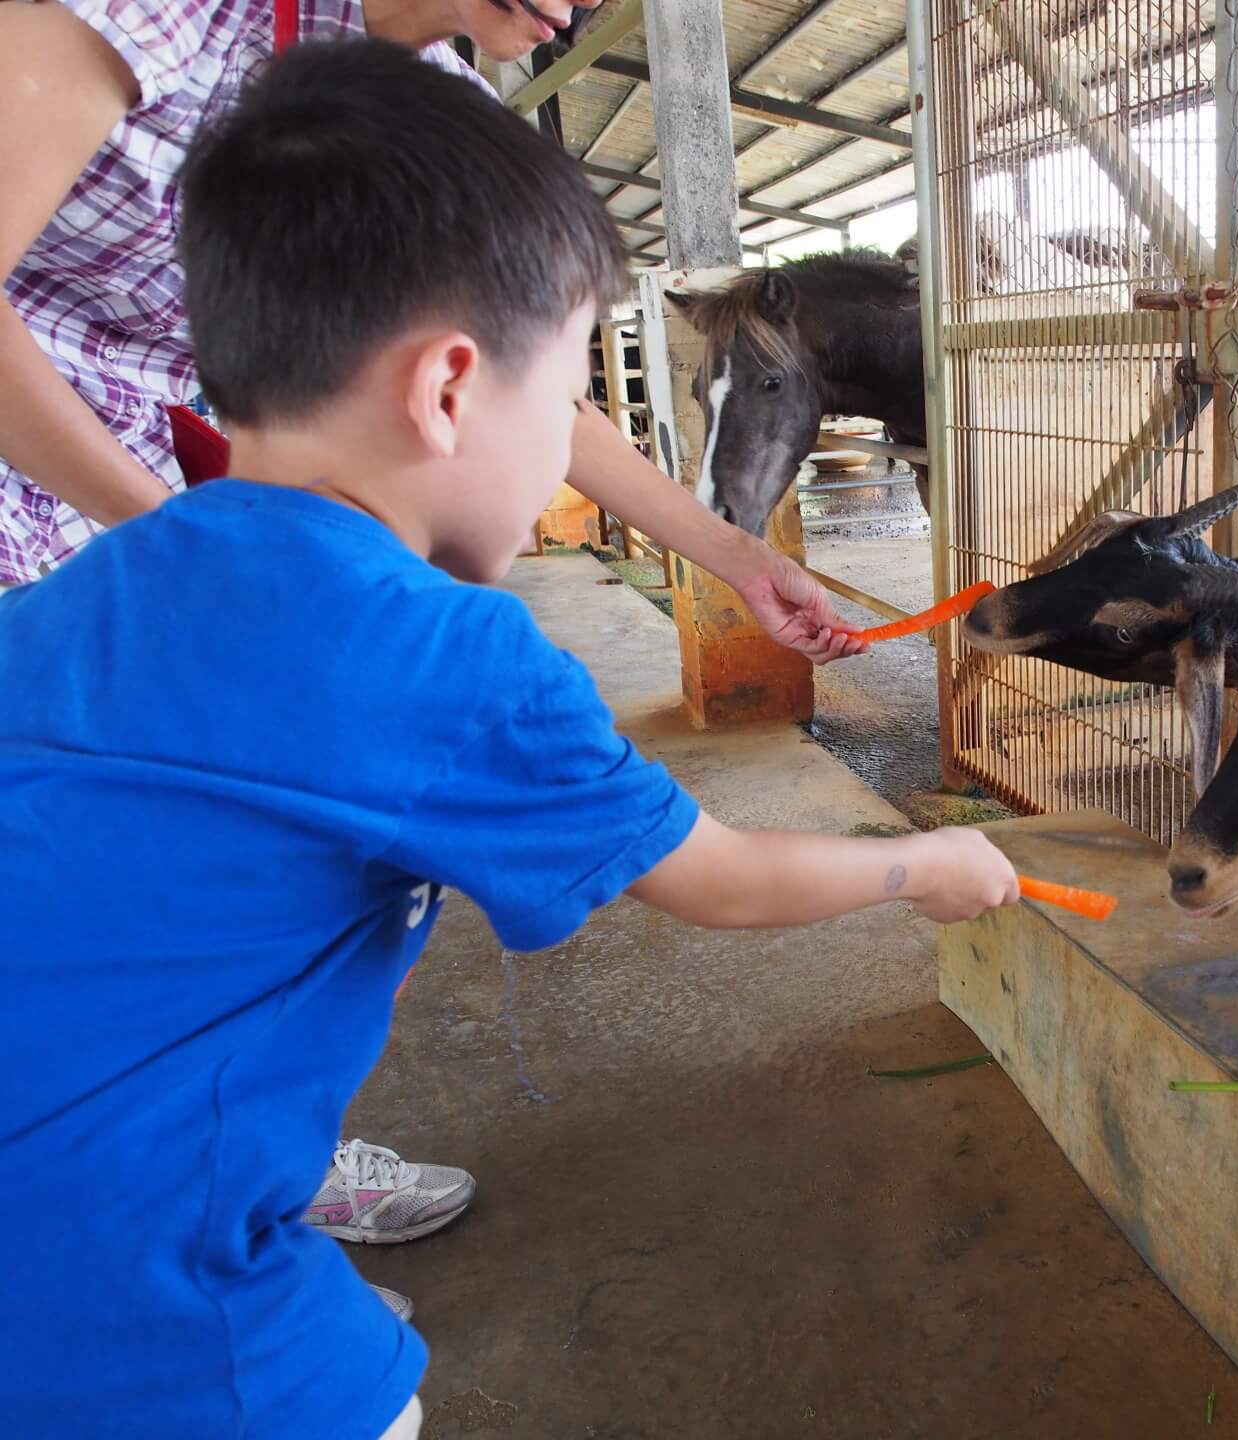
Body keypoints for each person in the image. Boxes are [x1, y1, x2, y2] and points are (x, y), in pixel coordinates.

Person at [0, 40, 1018, 1439]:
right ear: (449, 390)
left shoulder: (79, 586)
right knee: (362, 1404)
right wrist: (935, 868)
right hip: (111, 1288)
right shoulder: (446, 657)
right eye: (568, 402)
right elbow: (715, 879)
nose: (567, 446)